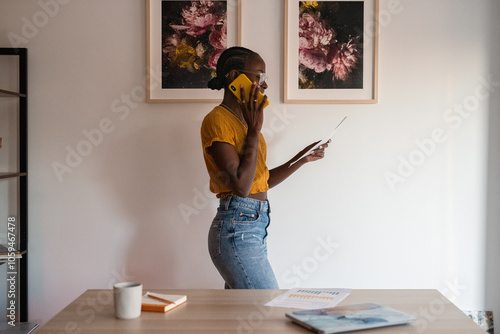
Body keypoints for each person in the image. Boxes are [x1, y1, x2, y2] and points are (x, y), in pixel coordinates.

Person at [201, 46, 330, 289]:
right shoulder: (217, 120)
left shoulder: (244, 123)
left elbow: (260, 180)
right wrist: (254, 130)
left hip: (254, 225)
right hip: (237, 226)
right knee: (266, 306)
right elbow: (241, 187)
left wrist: (302, 159)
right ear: (233, 77)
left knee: (243, 316)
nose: (264, 84)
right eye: (259, 76)